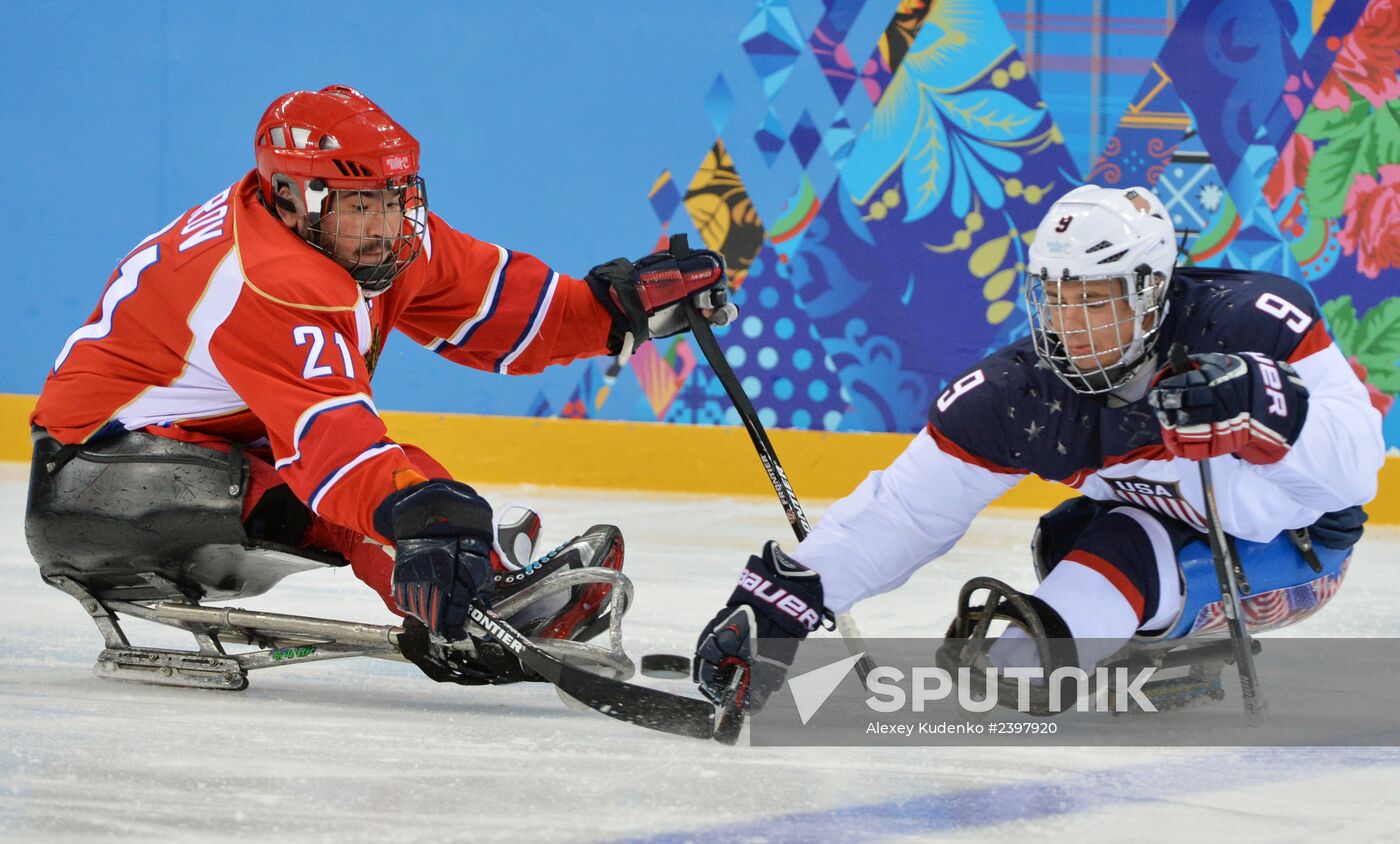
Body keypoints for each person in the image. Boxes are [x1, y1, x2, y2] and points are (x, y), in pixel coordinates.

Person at [29, 85, 734, 683]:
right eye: (362, 204)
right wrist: (417, 520)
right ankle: (479, 609)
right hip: (103, 481)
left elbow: (504, 311)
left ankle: (484, 579)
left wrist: (617, 311)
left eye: (396, 198)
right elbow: (331, 447)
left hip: (198, 447)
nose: (387, 226)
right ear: (288, 198)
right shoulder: (265, 281)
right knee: (400, 495)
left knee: (413, 493)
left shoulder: (369, 236)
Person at [694, 184, 1385, 712]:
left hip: (1299, 547)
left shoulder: (1249, 321)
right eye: (1056, 299)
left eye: (1095, 300)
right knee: (1066, 538)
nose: (1070, 326)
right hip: (1163, 534)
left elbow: (1357, 471)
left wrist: (1266, 408)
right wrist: (784, 602)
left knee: (1116, 546)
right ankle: (1121, 655)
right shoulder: (1021, 393)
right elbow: (906, 511)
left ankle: (1073, 649)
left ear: (1151, 292)